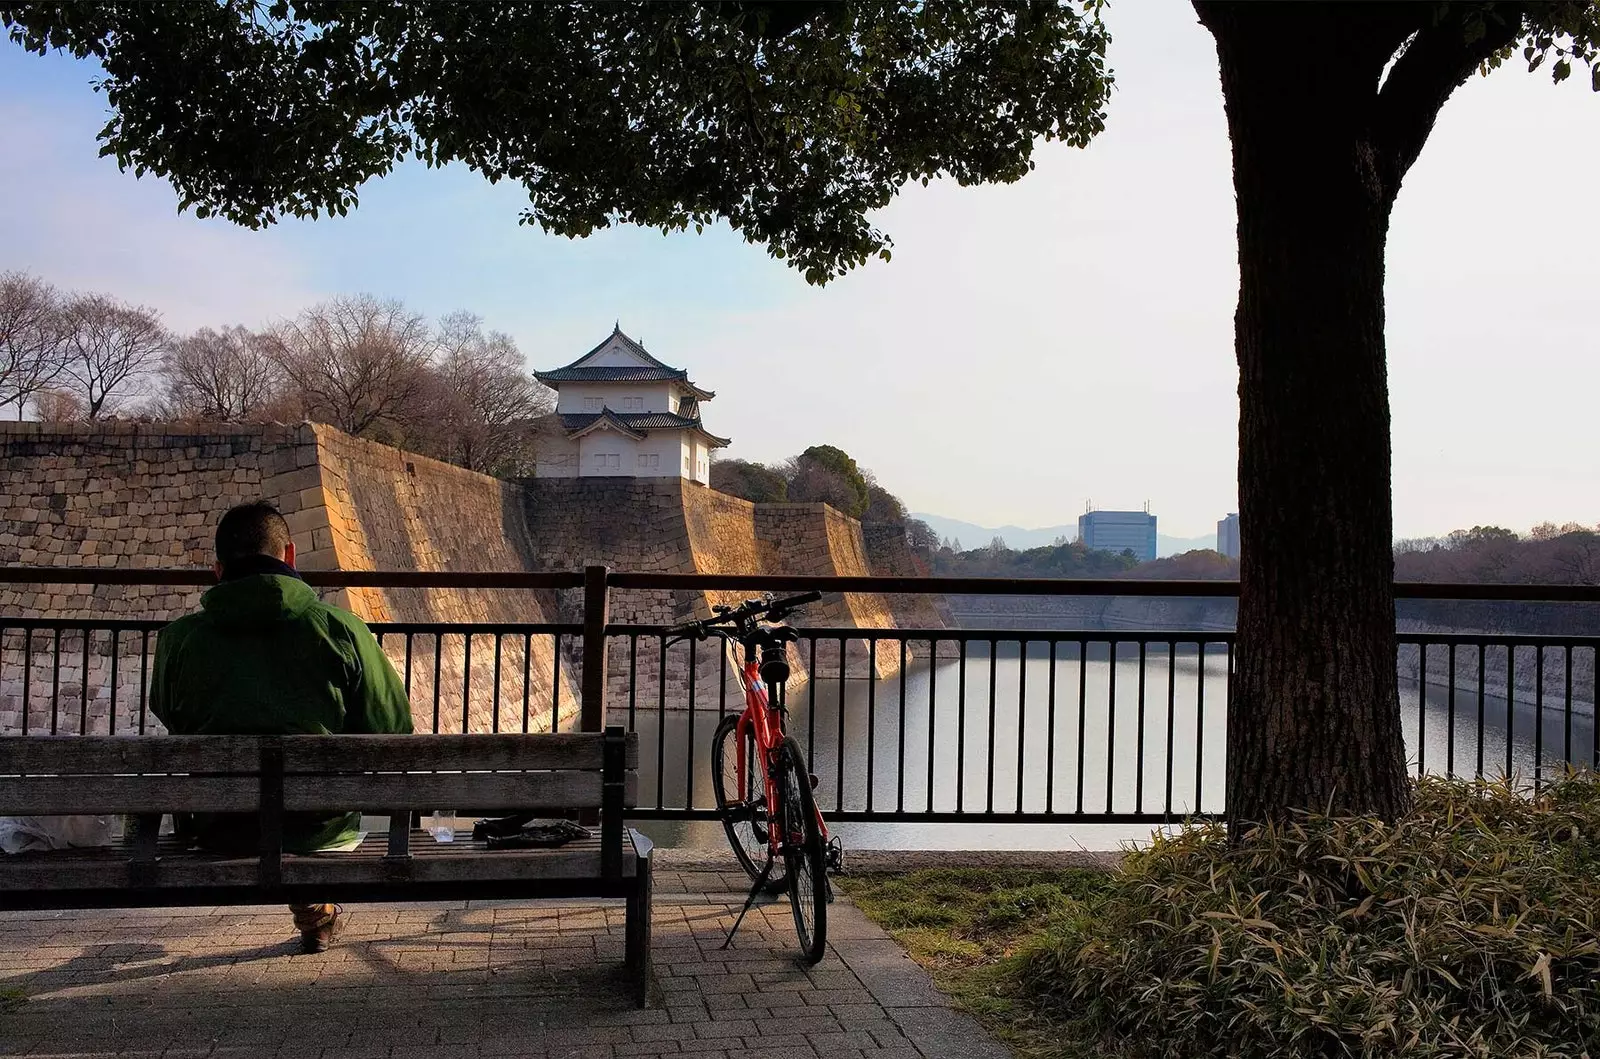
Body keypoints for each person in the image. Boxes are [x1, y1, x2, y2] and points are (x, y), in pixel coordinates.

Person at [150, 502, 413, 953]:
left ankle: (314, 910)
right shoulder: (339, 629)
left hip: (220, 826)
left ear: (218, 569)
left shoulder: (180, 639)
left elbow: (171, 713)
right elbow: (392, 727)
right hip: (320, 826)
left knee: (266, 813)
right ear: (290, 556)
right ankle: (314, 908)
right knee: (296, 819)